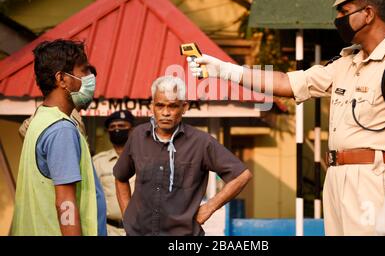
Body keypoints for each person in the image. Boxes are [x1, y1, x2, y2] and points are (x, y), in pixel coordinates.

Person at [188, 0, 385, 236]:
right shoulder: (345, 64)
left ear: (369, 13)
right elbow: (287, 83)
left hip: (375, 183)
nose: (339, 20)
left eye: (344, 12)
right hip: (338, 180)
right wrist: (225, 70)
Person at [113, 76, 252, 236]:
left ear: (184, 107)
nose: (165, 112)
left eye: (173, 106)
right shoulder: (138, 136)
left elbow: (242, 175)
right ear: (152, 106)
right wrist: (128, 217)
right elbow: (120, 177)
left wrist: (209, 207)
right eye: (160, 106)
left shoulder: (201, 142)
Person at [12, 40, 107, 236]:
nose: (90, 79)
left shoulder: (40, 119)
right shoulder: (61, 129)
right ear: (62, 79)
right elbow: (66, 204)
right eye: (84, 71)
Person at [93, 110, 136, 236]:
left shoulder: (143, 159)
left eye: (121, 126)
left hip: (139, 229)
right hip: (108, 229)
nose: (117, 129)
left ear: (132, 130)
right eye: (113, 127)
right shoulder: (98, 162)